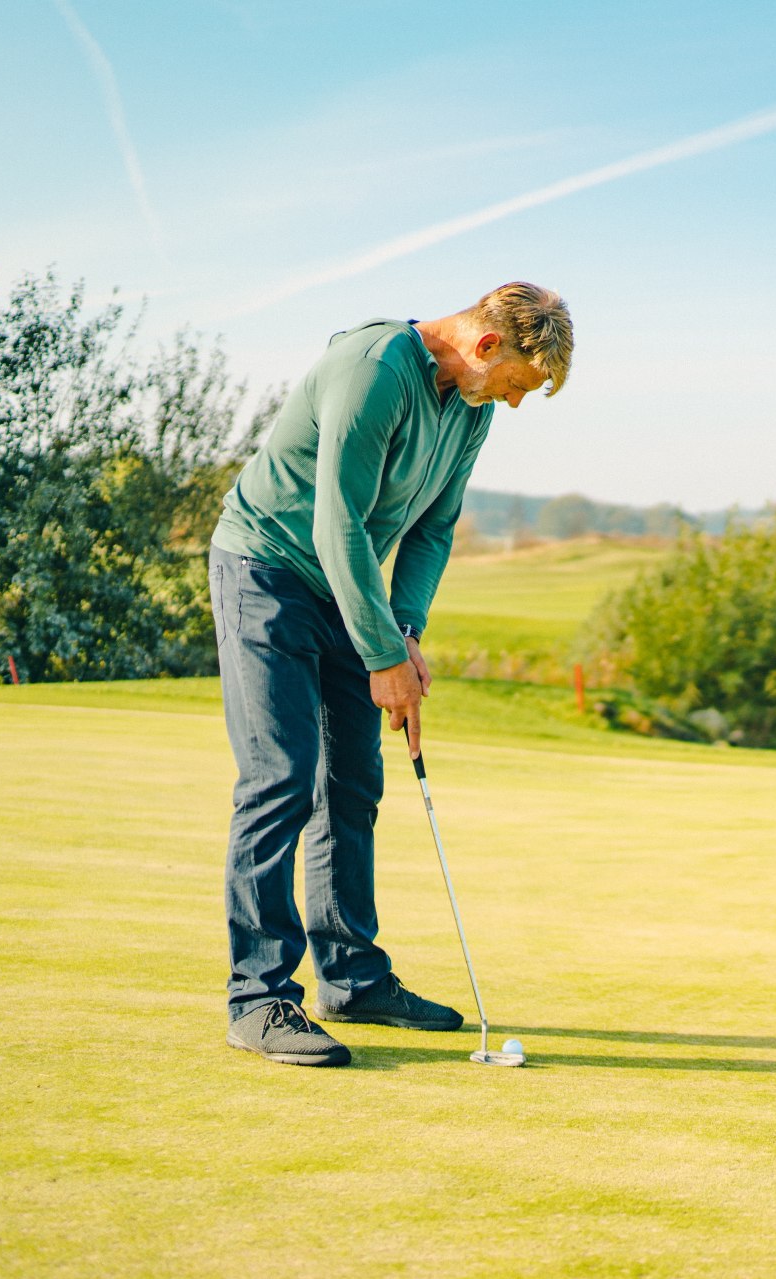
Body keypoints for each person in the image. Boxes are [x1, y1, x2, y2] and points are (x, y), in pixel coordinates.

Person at [209, 282, 573, 1066]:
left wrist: (402, 633)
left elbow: (435, 528)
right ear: (486, 346)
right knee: (282, 776)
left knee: (353, 780)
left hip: (350, 586)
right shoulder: (372, 369)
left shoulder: (470, 410)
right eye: (516, 384)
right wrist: (380, 657)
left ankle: (350, 975)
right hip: (267, 568)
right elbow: (335, 521)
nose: (512, 404)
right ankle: (258, 997)